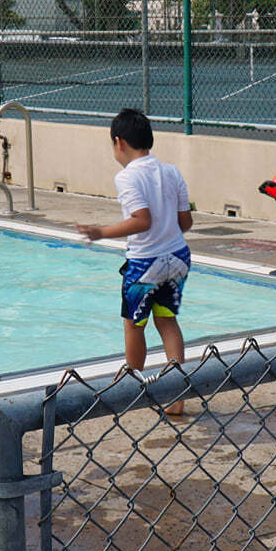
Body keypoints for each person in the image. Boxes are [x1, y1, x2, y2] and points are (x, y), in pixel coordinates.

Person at [79, 109, 191, 408]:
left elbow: (142, 220)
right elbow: (186, 222)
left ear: (119, 143)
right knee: (167, 323)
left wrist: (101, 232)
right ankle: (177, 395)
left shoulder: (127, 177)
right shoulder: (172, 171)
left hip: (145, 264)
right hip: (177, 259)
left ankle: (133, 387)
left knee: (134, 325)